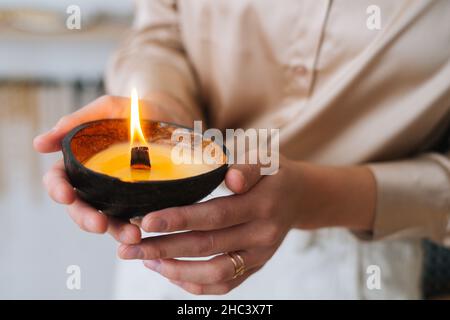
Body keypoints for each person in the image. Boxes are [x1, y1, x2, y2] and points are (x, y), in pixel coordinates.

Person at [33, 0, 450, 298]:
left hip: (355, 260)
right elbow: (160, 31)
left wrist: (310, 196)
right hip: (168, 239)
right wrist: (167, 116)